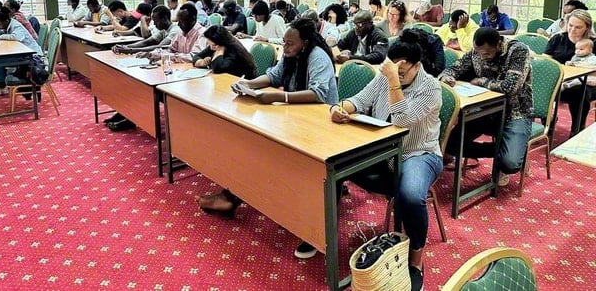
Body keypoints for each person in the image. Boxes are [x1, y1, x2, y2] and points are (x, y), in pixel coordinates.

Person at [329, 30, 442, 290]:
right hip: (383, 150)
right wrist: (340, 108)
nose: (397, 75)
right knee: (333, 165)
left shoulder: (430, 87)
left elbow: (401, 120)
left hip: (418, 153)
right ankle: (323, 235)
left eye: (403, 72)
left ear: (417, 66)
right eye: (394, 70)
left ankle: (415, 260)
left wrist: (393, 80)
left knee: (411, 195)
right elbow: (360, 100)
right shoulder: (387, 75)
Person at [197, 18, 338, 216]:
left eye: (290, 43)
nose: (285, 47)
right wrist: (249, 84)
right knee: (255, 144)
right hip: (295, 117)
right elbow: (273, 76)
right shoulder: (290, 54)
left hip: (319, 123)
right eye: (284, 42)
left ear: (305, 43)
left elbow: (319, 94)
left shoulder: (317, 57)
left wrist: (281, 96)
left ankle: (231, 198)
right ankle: (232, 195)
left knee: (264, 150)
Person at [440, 27, 533, 187]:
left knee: (510, 164)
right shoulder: (477, 51)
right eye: (479, 53)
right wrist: (446, 76)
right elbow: (454, 68)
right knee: (448, 144)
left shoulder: (518, 51)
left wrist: (482, 81)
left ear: (498, 44)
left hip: (515, 112)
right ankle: (501, 151)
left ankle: (514, 154)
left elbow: (510, 87)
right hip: (485, 110)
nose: (482, 57)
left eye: (487, 54)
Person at [544, 9, 596, 133]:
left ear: (587, 27)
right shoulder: (558, 38)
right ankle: (547, 122)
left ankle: (576, 129)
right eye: (570, 25)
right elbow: (545, 61)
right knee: (540, 87)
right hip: (560, 80)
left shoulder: (593, 42)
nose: (572, 30)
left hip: (587, 83)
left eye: (578, 27)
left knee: (579, 91)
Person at [0, 6, 44, 98]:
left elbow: (17, 37)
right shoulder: (6, 24)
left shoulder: (16, 25)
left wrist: (1, 36)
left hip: (32, 56)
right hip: (21, 53)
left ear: (5, 21)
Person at [138, 2, 208, 63]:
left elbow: (193, 57)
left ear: (193, 19)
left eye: (182, 21)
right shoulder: (181, 33)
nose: (179, 24)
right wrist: (152, 53)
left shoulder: (202, 33)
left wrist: (163, 56)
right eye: (178, 21)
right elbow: (170, 49)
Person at [192, 25, 257, 78]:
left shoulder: (233, 50)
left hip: (242, 82)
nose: (211, 48)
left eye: (213, 45)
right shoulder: (215, 45)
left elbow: (218, 69)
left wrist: (220, 50)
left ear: (221, 42)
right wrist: (202, 62)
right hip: (226, 80)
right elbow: (196, 57)